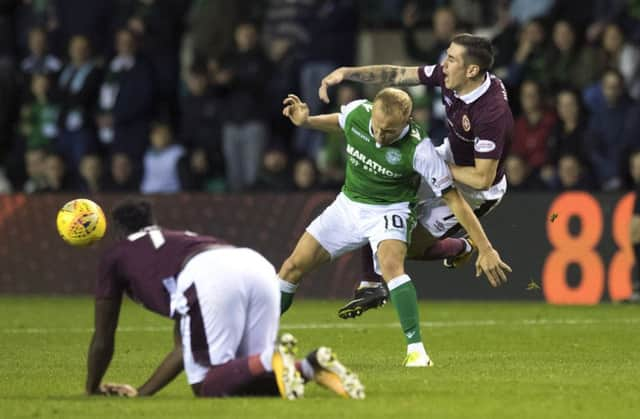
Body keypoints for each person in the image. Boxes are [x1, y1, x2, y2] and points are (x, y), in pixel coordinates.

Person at [277, 88, 510, 368]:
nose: (378, 137)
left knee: (392, 266)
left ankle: (416, 351)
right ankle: (256, 336)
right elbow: (341, 121)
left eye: (388, 132)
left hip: (391, 210)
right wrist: (307, 121)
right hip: (348, 206)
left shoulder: (420, 150)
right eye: (376, 127)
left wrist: (486, 248)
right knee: (291, 267)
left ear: (408, 121)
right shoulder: (358, 112)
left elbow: (455, 200)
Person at [85, 199, 365, 400]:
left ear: (119, 232)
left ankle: (273, 356)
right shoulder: (175, 240)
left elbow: (103, 337)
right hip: (255, 265)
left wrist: (93, 388)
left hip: (207, 275)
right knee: (244, 376)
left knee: (205, 384)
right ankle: (308, 365)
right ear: (153, 224)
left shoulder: (116, 254)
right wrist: (143, 393)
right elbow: (184, 348)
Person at [318, 33, 513, 319]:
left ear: (471, 71)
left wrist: (433, 167)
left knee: (410, 247)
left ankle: (461, 247)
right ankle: (371, 284)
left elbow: (482, 178)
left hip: (477, 190)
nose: (443, 65)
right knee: (379, 191)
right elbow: (396, 74)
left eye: (451, 59)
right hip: (450, 157)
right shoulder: (451, 78)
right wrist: (348, 73)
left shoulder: (490, 112)